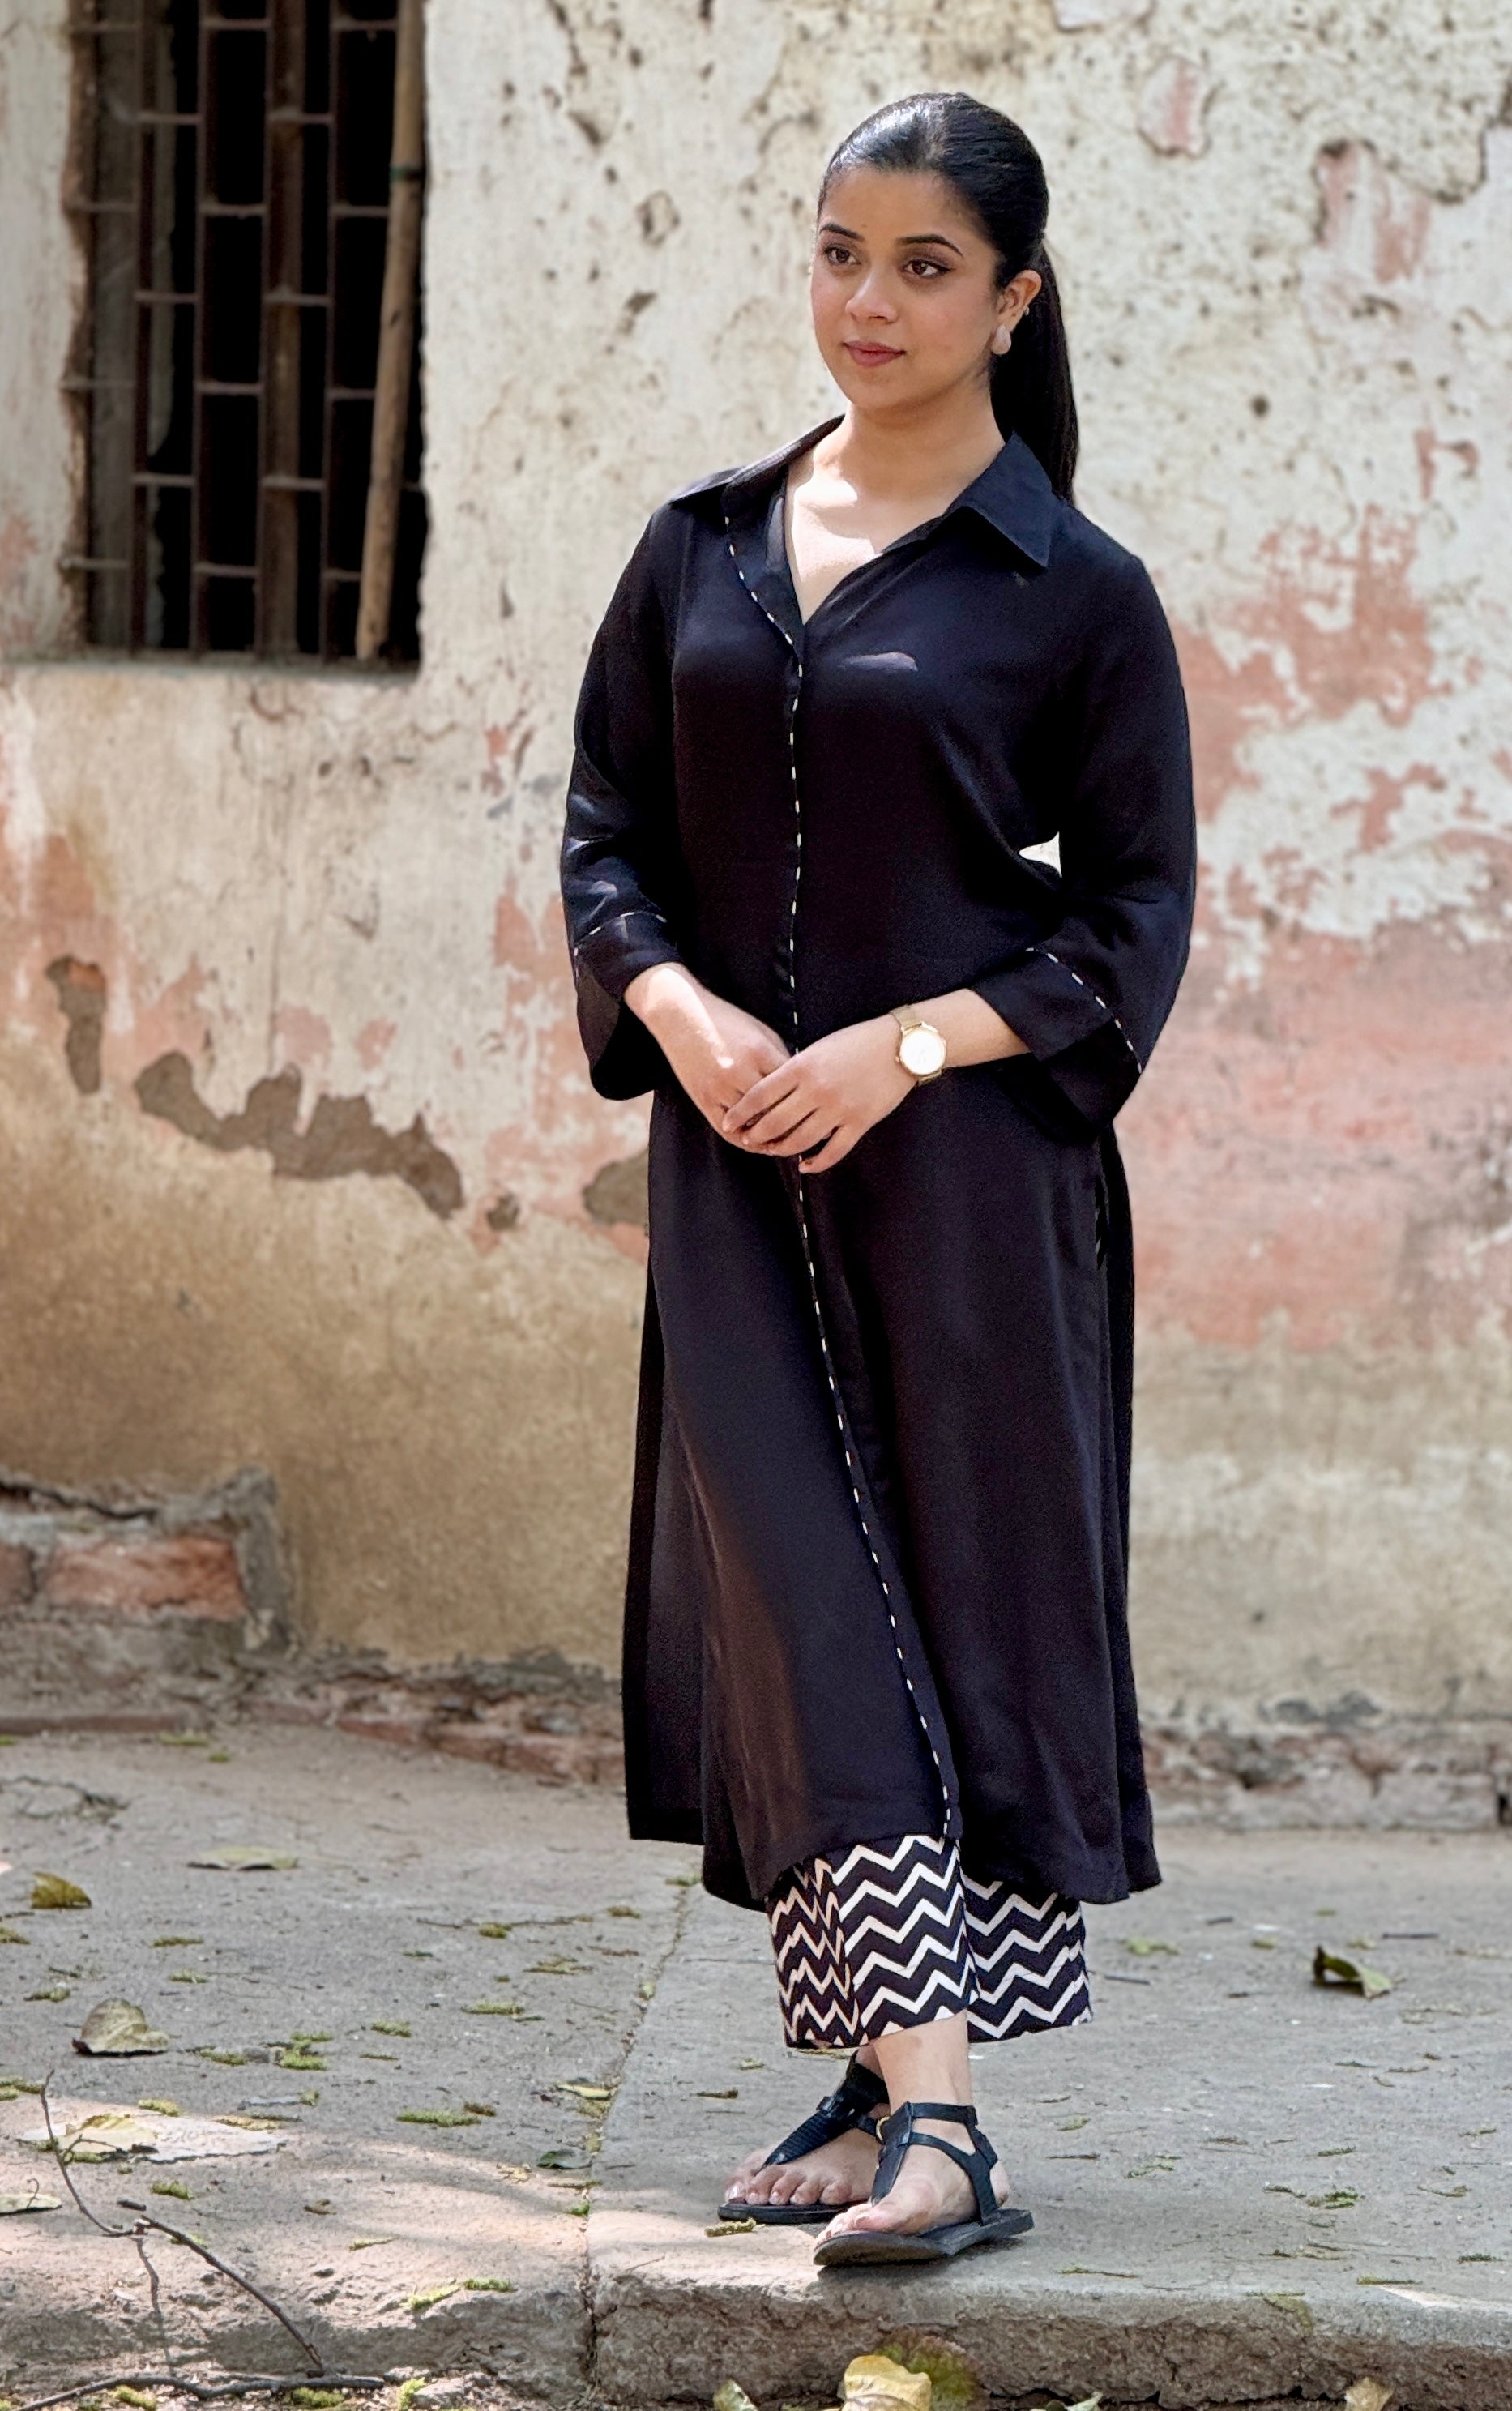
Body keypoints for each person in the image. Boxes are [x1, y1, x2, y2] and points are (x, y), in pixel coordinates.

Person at [560, 89, 1195, 2268]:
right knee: (804, 1609)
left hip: (968, 1197)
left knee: (945, 1611)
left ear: (1014, 302)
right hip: (739, 1179)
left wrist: (909, 1045)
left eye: (925, 266)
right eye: (842, 252)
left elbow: (1132, 920)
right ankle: (919, 2110)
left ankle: (916, 2110)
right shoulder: (700, 548)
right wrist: (682, 1015)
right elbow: (605, 837)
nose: (870, 300)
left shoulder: (1074, 594)